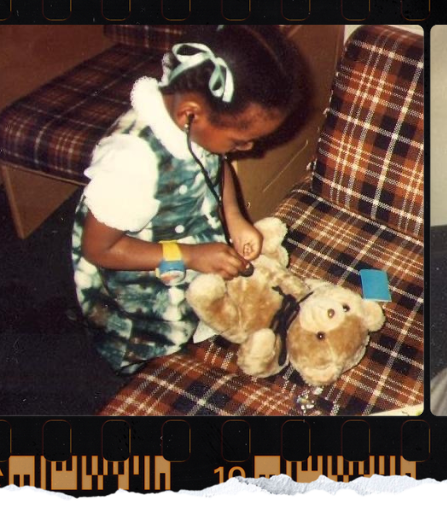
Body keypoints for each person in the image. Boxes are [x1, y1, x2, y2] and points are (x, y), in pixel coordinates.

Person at [72, 25, 306, 375]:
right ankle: (146, 374)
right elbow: (100, 249)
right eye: (241, 140)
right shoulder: (130, 162)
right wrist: (191, 256)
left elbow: (216, 166)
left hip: (187, 254)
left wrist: (235, 217)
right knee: (156, 346)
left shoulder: (193, 124)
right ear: (190, 115)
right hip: (139, 276)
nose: (248, 149)